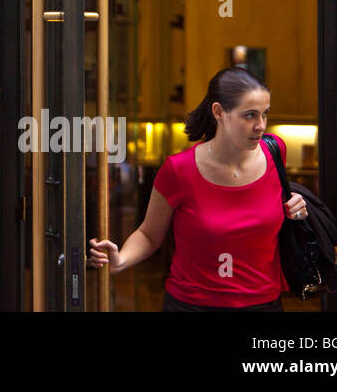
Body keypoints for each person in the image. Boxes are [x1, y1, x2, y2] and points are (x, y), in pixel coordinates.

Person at [87, 67, 308, 311]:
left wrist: (296, 208)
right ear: (219, 112)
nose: (261, 125)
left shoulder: (276, 151)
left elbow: (278, 210)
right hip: (192, 305)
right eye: (250, 115)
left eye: (265, 114)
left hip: (264, 304)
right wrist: (121, 260)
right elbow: (149, 234)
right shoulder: (179, 170)